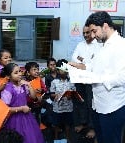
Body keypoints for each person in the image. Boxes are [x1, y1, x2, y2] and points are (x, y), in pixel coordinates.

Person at [69, 11, 125, 143]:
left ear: (105, 26)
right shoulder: (102, 45)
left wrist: (94, 78)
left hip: (112, 107)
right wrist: (76, 66)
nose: (93, 36)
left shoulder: (121, 46)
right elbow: (92, 66)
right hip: (97, 105)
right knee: (100, 139)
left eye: (94, 31)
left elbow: (122, 78)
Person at [0, 63, 45, 143]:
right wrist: (21, 108)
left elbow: (33, 97)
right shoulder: (7, 90)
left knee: (31, 137)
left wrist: (29, 85)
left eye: (20, 71)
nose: (19, 74)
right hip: (14, 120)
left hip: (27, 117)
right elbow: (4, 109)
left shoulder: (23, 85)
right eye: (16, 73)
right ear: (8, 76)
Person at [71, 26, 101, 143]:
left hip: (92, 81)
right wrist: (85, 61)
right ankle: (84, 124)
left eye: (87, 32)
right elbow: (74, 57)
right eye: (83, 33)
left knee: (91, 104)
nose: (85, 35)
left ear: (93, 32)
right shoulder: (80, 45)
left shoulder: (99, 45)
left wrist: (83, 62)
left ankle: (93, 128)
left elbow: (95, 61)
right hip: (80, 79)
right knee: (81, 103)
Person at [50, 59, 75, 143]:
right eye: (62, 70)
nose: (64, 72)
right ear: (58, 70)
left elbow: (73, 92)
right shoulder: (54, 82)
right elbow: (51, 94)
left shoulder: (71, 82)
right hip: (58, 108)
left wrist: (70, 95)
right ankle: (56, 139)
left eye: (66, 69)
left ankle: (68, 138)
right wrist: (55, 95)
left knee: (67, 124)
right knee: (56, 124)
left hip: (68, 108)